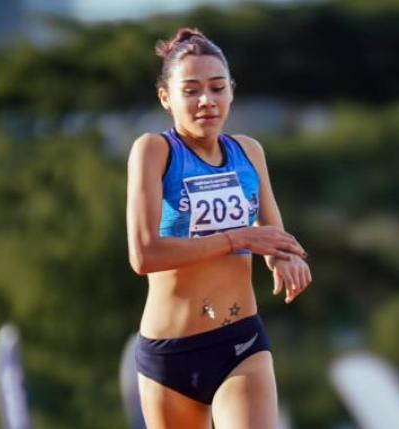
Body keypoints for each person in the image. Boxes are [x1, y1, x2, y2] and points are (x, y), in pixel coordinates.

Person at [126, 27, 312, 429]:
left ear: (231, 91)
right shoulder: (154, 151)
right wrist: (238, 239)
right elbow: (144, 255)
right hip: (171, 354)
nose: (206, 100)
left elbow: (273, 236)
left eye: (217, 87)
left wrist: (286, 258)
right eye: (191, 91)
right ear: (166, 97)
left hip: (240, 341)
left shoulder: (249, 151)